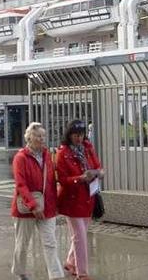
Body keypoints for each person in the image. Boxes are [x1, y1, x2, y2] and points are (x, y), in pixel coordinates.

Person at [11, 122, 63, 280]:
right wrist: (33, 205)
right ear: (29, 137)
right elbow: (21, 184)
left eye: (43, 136)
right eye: (38, 136)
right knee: (22, 244)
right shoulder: (20, 157)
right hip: (26, 208)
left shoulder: (48, 155)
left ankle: (56, 275)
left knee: (50, 242)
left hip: (46, 206)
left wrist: (55, 204)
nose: (42, 139)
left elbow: (52, 181)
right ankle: (20, 272)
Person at [56, 119, 103, 280]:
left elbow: (97, 165)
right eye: (76, 135)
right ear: (69, 135)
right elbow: (62, 179)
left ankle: (70, 262)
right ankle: (82, 273)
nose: (79, 138)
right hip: (72, 199)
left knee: (79, 235)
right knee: (80, 237)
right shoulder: (63, 153)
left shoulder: (88, 148)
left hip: (88, 197)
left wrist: (98, 172)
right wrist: (80, 178)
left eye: (81, 134)